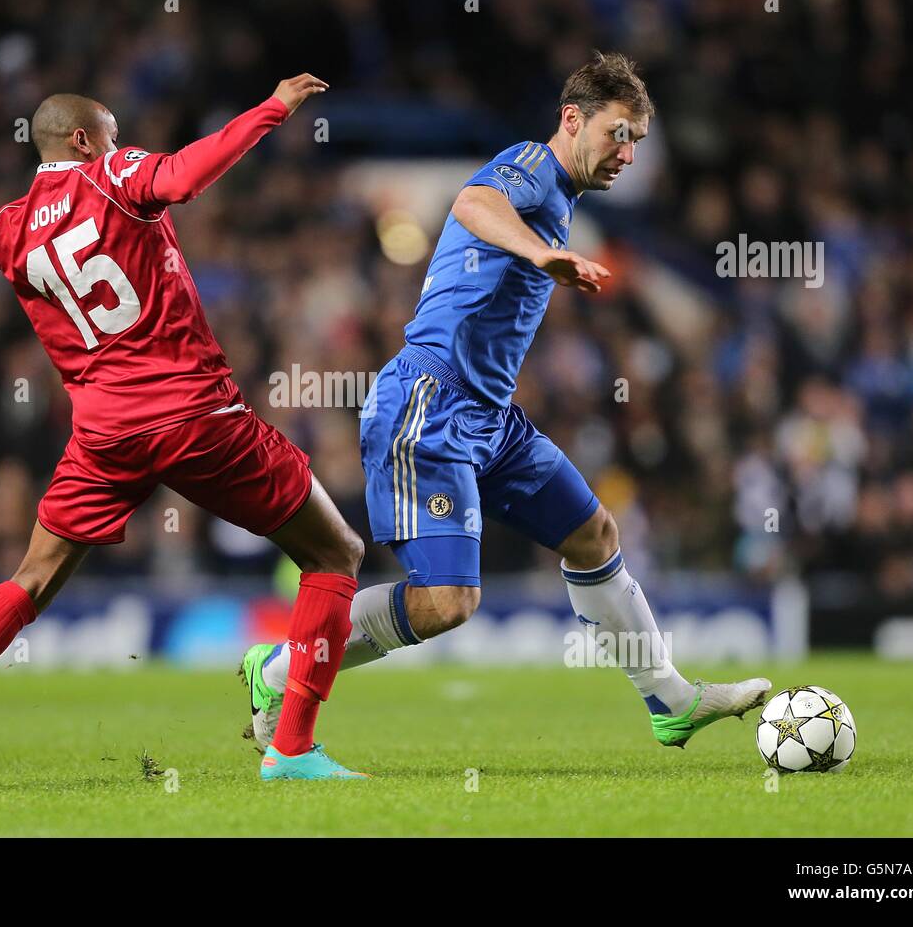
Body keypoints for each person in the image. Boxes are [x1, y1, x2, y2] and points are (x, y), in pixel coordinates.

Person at [0, 74, 368, 787]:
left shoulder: (8, 226)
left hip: (104, 436)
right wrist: (272, 109)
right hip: (196, 417)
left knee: (32, 576)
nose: (119, 141)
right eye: (109, 132)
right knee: (335, 553)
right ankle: (291, 749)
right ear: (84, 140)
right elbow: (187, 175)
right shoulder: (113, 175)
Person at [242, 54, 770, 751]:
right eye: (618, 133)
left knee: (594, 537)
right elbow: (472, 202)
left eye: (638, 139)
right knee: (447, 604)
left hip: (490, 416)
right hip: (427, 406)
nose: (628, 153)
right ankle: (278, 667)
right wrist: (539, 254)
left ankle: (672, 701)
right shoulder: (529, 164)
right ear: (573, 119)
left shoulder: (565, 198)